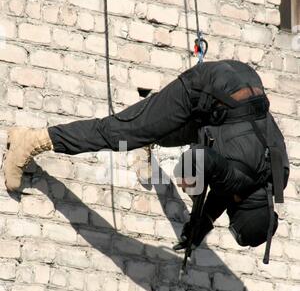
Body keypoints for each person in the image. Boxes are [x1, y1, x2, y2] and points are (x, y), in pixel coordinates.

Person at [3, 60, 290, 255]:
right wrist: (192, 188)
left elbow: (228, 181)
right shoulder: (239, 179)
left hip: (241, 81)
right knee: (118, 134)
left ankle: (149, 135)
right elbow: (197, 161)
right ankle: (31, 140)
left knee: (169, 132)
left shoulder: (276, 179)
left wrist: (201, 222)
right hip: (207, 88)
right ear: (239, 206)